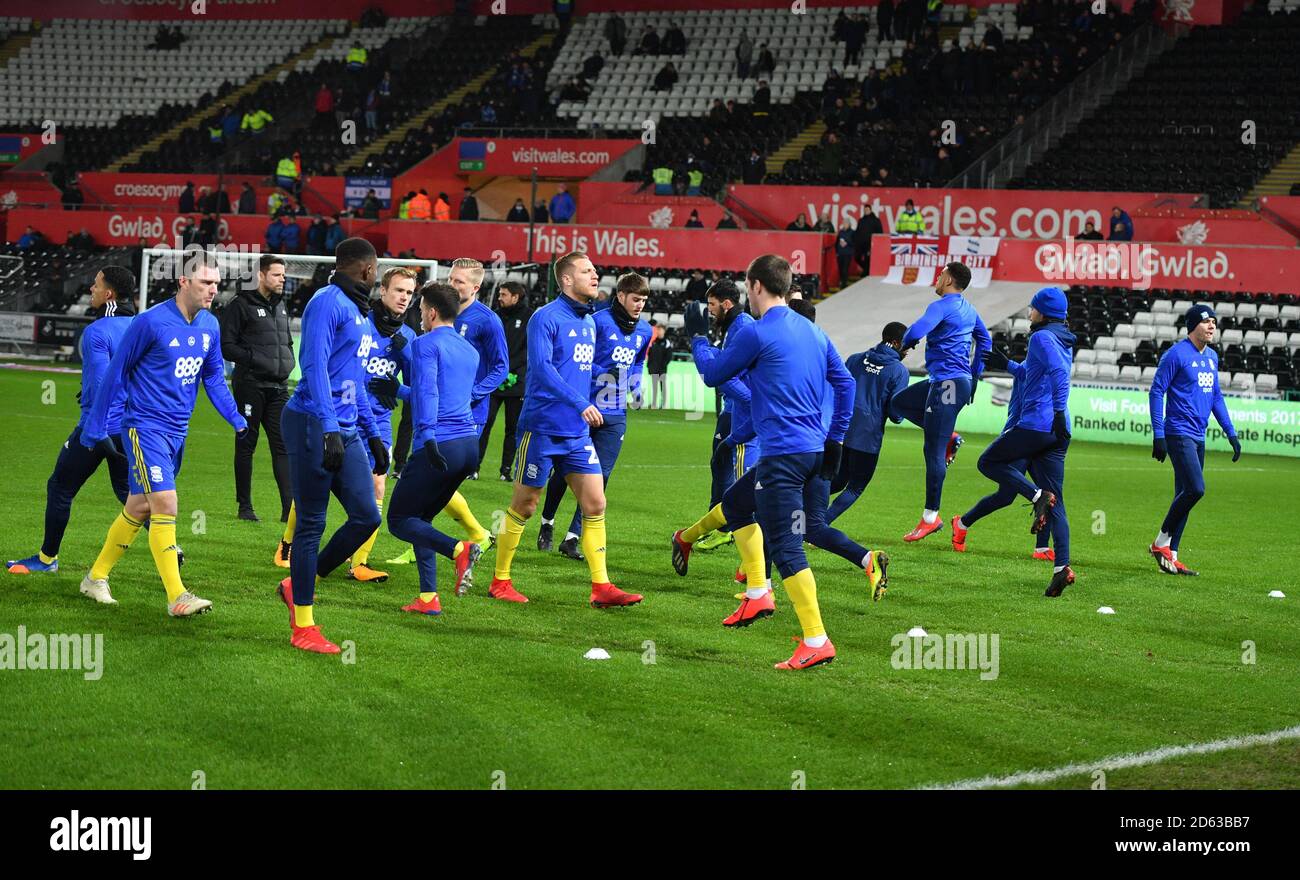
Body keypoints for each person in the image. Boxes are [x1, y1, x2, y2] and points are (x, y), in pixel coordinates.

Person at [674, 255, 874, 669]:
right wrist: (835, 438)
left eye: (748, 288)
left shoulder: (758, 332)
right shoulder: (814, 333)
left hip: (782, 454)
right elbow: (846, 382)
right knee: (735, 504)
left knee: (786, 546)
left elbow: (713, 375)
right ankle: (756, 594)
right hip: (812, 451)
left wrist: (696, 337)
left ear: (756, 286)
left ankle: (816, 640)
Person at [76, 253, 248, 614]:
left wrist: (235, 417)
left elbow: (213, 377)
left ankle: (95, 578)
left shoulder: (210, 325)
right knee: (165, 504)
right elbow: (116, 373)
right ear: (183, 282)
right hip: (143, 427)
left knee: (138, 507)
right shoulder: (150, 322)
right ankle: (177, 596)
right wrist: (95, 422)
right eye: (205, 282)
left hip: (178, 431)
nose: (212, 290)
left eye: (216, 283)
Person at [488, 252, 642, 608]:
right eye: (587, 270)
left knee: (595, 501)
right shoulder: (545, 318)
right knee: (525, 505)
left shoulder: (589, 322)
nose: (595, 274)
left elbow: (582, 373)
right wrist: (580, 402)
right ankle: (500, 580)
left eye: (594, 270)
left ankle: (601, 586)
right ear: (567, 280)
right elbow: (541, 369)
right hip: (541, 427)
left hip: (575, 432)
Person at [275, 237, 389, 654]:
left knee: (366, 516)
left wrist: (373, 432)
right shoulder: (327, 301)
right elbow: (314, 366)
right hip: (311, 421)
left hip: (347, 427)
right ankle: (303, 625)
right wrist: (326, 426)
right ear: (367, 270)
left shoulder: (359, 312)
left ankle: (298, 582)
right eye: (376, 270)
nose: (376, 276)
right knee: (311, 524)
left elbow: (353, 379)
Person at [7, 267, 138, 576]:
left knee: (60, 487)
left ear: (109, 294)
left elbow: (99, 384)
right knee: (129, 494)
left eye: (95, 284)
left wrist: (95, 422)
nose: (90, 289)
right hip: (133, 428)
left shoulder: (97, 331)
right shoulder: (140, 327)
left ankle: (46, 558)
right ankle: (171, 548)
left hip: (98, 429)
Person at [953, 288, 1075, 596]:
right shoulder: (1061, 339)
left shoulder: (1041, 338)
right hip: (1056, 433)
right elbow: (1035, 374)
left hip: (1036, 424)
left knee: (988, 462)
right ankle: (1062, 567)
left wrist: (1058, 411)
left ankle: (1035, 497)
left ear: (1043, 312)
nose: (1029, 312)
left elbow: (1059, 375)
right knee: (1056, 501)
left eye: (1032, 308)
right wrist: (1007, 365)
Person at [386, 280, 485, 616]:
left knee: (399, 520)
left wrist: (426, 436)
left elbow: (428, 393)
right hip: (469, 446)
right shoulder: (469, 350)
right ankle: (428, 598)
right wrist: (396, 391)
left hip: (438, 443)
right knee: (421, 519)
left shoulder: (427, 344)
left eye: (420, 308)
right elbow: (444, 394)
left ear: (430, 312)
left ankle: (460, 549)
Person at [538, 273, 652, 559]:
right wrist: (604, 373)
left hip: (616, 413)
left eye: (644, 301)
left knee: (600, 477)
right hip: (585, 408)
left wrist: (636, 385)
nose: (640, 305)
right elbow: (580, 361)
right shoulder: (597, 321)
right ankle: (547, 522)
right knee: (566, 471)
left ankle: (572, 537)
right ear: (621, 295)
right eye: (636, 299)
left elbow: (638, 362)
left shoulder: (645, 331)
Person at [891, 261, 991, 542]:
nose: (936, 278)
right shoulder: (970, 310)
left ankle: (930, 518)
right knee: (900, 402)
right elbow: (985, 341)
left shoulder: (941, 306)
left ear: (948, 279)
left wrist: (905, 345)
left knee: (932, 451)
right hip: (954, 383)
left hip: (946, 383)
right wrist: (975, 376)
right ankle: (948, 436)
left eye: (940, 274)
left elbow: (917, 330)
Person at [337, 267, 419, 584]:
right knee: (321, 481)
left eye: (409, 293)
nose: (404, 297)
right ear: (382, 291)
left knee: (378, 485)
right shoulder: (360, 324)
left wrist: (395, 388)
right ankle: (288, 546)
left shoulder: (408, 339)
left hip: (380, 423)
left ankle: (360, 562)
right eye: (399, 290)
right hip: (346, 415)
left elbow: (418, 392)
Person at [1147, 304, 1240, 577]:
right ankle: (1160, 543)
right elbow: (1156, 392)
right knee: (1195, 489)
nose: (1212, 326)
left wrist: (1230, 432)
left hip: (1199, 435)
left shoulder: (1212, 357)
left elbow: (1216, 397)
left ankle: (1171, 556)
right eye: (1206, 321)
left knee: (1184, 495)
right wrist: (1158, 434)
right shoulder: (1175, 354)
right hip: (1178, 432)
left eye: (1214, 321)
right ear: (1192, 326)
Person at [950, 337, 1055, 564]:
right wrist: (1007, 364)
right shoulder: (1034, 366)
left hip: (1037, 435)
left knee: (1044, 492)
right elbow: (1025, 374)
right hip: (1020, 433)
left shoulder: (1046, 365)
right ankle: (961, 523)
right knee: (1011, 496)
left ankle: (1042, 547)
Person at [220, 255, 295, 526]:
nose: (282, 279)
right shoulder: (240, 305)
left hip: (278, 387)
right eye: (277, 274)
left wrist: (287, 359)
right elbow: (226, 345)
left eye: (283, 275)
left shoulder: (281, 305)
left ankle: (289, 509)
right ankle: (245, 506)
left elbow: (284, 340)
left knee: (283, 446)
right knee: (246, 443)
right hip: (250, 385)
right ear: (261, 276)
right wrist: (254, 358)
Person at [692, 280, 755, 554]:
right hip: (731, 410)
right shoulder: (735, 326)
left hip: (739, 414)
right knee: (720, 466)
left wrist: (717, 370)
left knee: (739, 475)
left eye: (712, 305)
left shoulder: (742, 326)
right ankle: (719, 526)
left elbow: (730, 375)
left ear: (726, 303)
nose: (710, 311)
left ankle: (730, 532)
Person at [826, 322, 910, 524]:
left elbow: (835, 388)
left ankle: (796, 510)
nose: (909, 350)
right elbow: (896, 413)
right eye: (908, 345)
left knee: (834, 481)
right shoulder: (899, 372)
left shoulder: (854, 360)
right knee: (855, 487)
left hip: (839, 431)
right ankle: (817, 527)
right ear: (897, 343)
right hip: (867, 439)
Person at [480, 281, 530, 479]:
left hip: (516, 382)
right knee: (484, 423)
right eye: (499, 294)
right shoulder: (495, 316)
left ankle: (506, 470)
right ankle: (473, 468)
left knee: (513, 429)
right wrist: (498, 371)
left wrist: (509, 370)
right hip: (493, 380)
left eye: (503, 295)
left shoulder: (529, 318)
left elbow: (528, 350)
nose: (499, 298)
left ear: (515, 297)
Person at [647, 321, 671, 410]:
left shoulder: (666, 343)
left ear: (664, 331)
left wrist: (663, 366)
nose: (660, 332)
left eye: (661, 330)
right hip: (654, 369)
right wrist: (649, 366)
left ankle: (663, 404)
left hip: (662, 369)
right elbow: (650, 355)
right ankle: (654, 404)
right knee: (654, 388)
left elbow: (669, 357)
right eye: (658, 330)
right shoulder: (653, 342)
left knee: (662, 387)